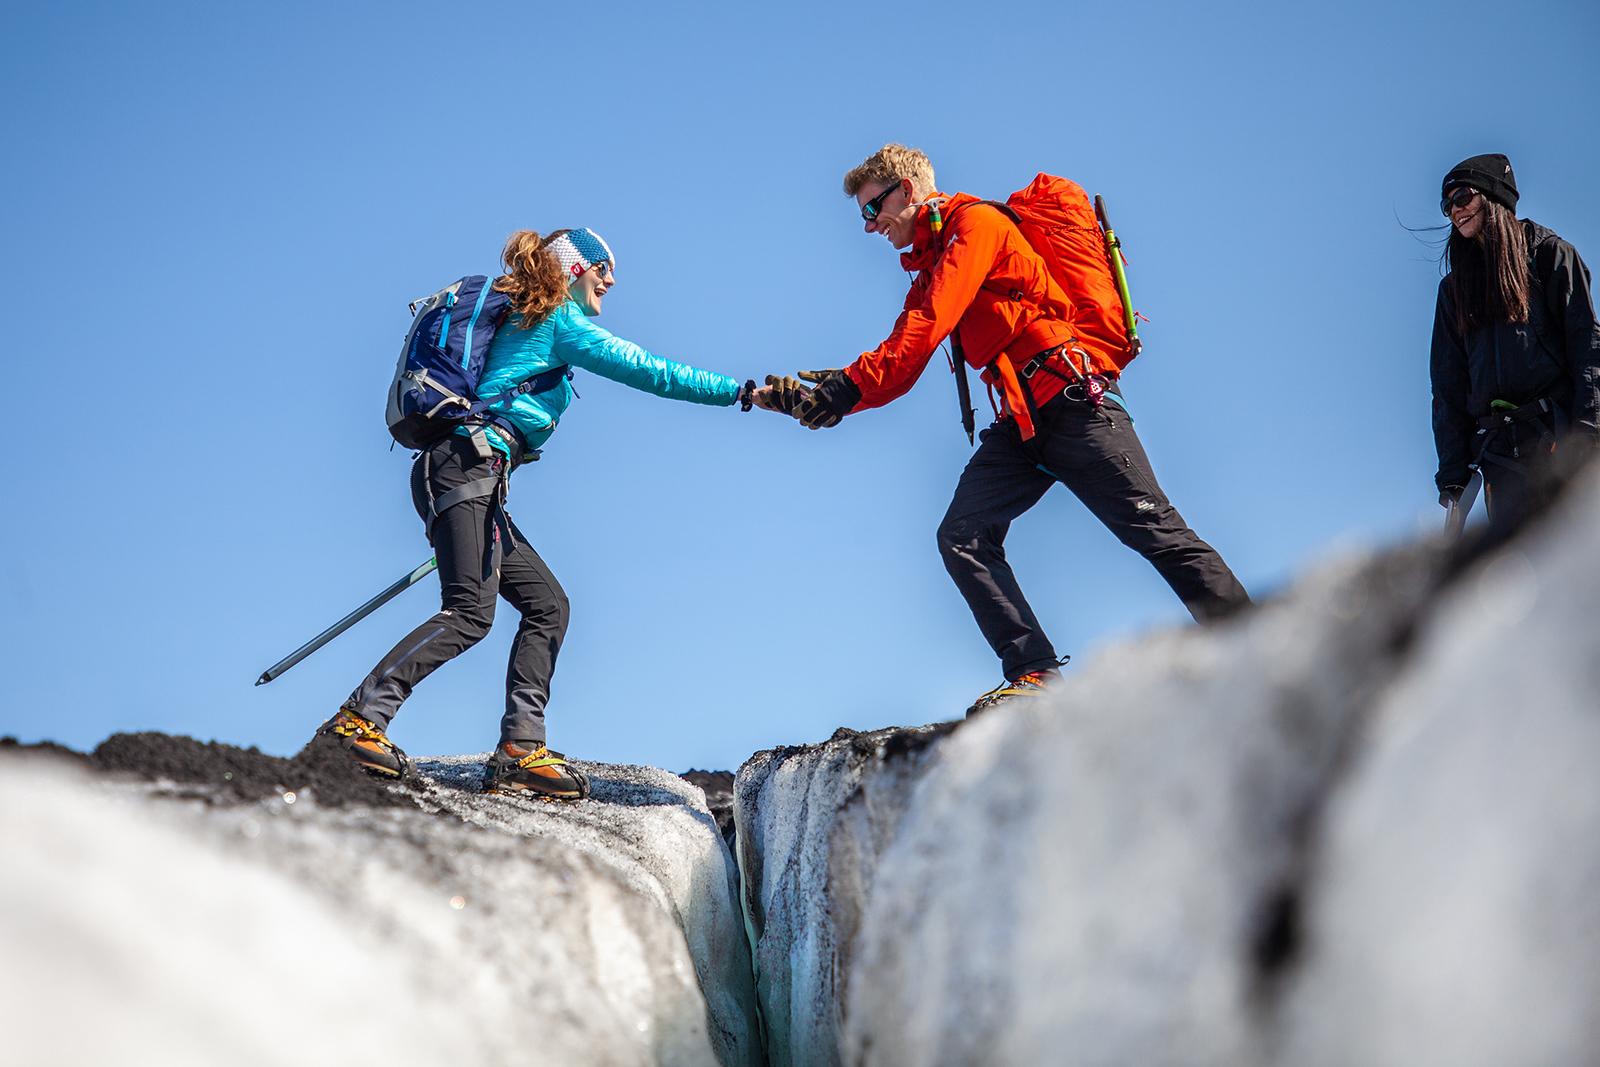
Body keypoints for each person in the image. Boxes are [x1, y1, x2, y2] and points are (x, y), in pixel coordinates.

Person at [758, 144, 1249, 715]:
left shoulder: (977, 226)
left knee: (1156, 531)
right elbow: (904, 352)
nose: (870, 226)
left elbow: (928, 325)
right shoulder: (932, 260)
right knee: (962, 536)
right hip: (1021, 422)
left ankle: (1256, 644)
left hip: (1073, 402)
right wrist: (826, 397)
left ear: (907, 190)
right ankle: (1034, 672)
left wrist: (847, 387)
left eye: (873, 209)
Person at [319, 228, 755, 799]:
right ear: (573, 269)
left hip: (472, 475)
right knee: (470, 612)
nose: (611, 279)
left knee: (548, 605)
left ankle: (520, 748)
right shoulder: (556, 320)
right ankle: (356, 723)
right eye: (603, 266)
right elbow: (650, 369)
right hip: (464, 468)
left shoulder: (533, 320)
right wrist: (745, 392)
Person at [1431, 153, 1600, 533]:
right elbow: (1447, 385)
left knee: (1563, 547)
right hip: (1497, 456)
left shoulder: (1551, 256)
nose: (1455, 211)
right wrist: (1454, 476)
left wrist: (1587, 435)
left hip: (1554, 438)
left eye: (1462, 197)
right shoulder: (1453, 291)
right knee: (1516, 561)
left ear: (1495, 197)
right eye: (1447, 205)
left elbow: (1587, 347)